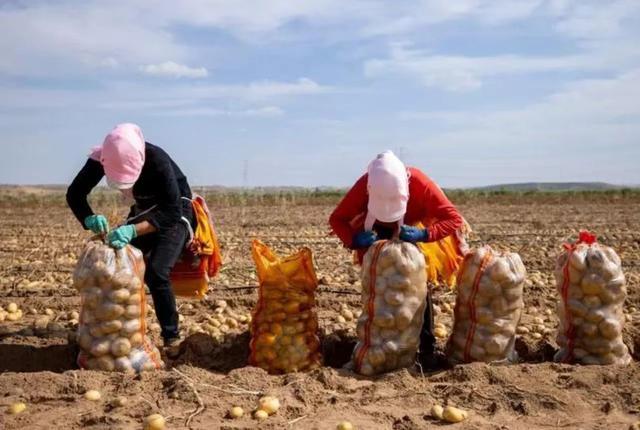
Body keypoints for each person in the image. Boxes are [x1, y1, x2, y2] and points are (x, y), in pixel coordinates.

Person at [66, 123, 195, 357]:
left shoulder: (156, 159)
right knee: (114, 264)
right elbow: (75, 193)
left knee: (157, 271)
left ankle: (171, 335)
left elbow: (171, 211)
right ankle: (112, 329)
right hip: (143, 210)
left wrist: (133, 230)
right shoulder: (102, 158)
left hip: (175, 212)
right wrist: (88, 217)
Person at [329, 150, 466, 368]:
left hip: (412, 229)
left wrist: (425, 234)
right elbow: (337, 219)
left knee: (418, 287)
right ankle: (379, 344)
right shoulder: (365, 184)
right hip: (375, 231)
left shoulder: (420, 183)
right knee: (378, 287)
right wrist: (354, 240)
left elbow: (453, 219)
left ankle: (427, 348)